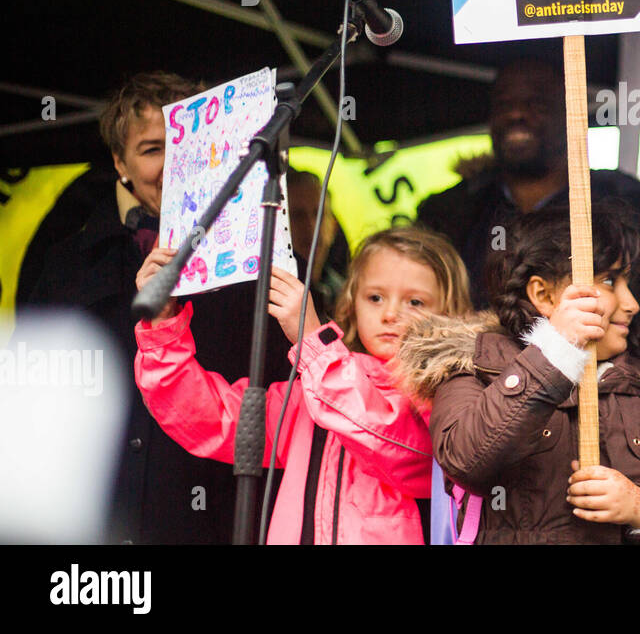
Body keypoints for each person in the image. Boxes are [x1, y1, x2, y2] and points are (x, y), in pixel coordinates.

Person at [416, 58, 640, 483]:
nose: (516, 113)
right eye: (504, 102)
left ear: (573, 115)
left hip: (622, 468)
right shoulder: (450, 217)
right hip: (490, 472)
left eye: (536, 102)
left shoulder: (634, 212)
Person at [24, 70, 291, 543]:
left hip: (218, 513)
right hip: (100, 515)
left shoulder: (267, 255)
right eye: (152, 149)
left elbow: (290, 402)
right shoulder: (66, 263)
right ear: (119, 161)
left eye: (187, 148)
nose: (175, 166)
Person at [397, 203, 640, 544]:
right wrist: (557, 350)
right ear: (543, 294)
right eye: (611, 280)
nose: (632, 303)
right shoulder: (474, 365)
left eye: (628, 282)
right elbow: (466, 460)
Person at [134, 227, 472, 544]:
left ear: (452, 313)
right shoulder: (310, 388)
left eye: (415, 302)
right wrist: (163, 326)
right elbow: (213, 417)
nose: (390, 314)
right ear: (352, 303)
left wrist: (313, 339)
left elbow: (394, 445)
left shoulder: (448, 394)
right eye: (375, 298)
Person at [285, 168, 349, 320]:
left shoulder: (347, 298)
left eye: (319, 214)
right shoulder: (266, 298)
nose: (311, 226)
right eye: (297, 215)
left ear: (333, 226)